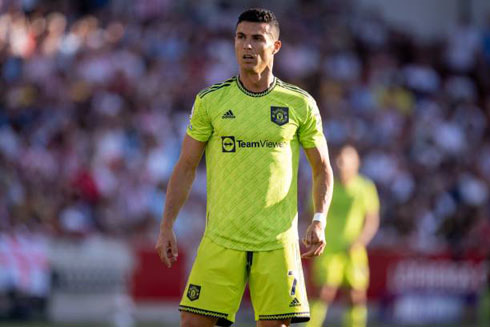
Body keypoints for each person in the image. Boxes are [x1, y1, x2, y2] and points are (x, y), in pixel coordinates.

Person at [155, 8, 334, 327]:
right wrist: (167, 224)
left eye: (257, 39)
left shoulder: (299, 103)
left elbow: (321, 167)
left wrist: (319, 219)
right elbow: (186, 166)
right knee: (192, 323)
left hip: (276, 243)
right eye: (241, 38)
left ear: (275, 47)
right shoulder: (211, 101)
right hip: (222, 239)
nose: (247, 46)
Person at [307, 145, 380, 327]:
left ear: (356, 163)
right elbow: (313, 214)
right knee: (323, 293)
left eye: (345, 160)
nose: (340, 164)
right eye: (338, 160)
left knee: (355, 295)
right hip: (328, 248)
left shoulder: (364, 187)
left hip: (353, 250)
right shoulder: (324, 185)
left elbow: (371, 220)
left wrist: (360, 241)